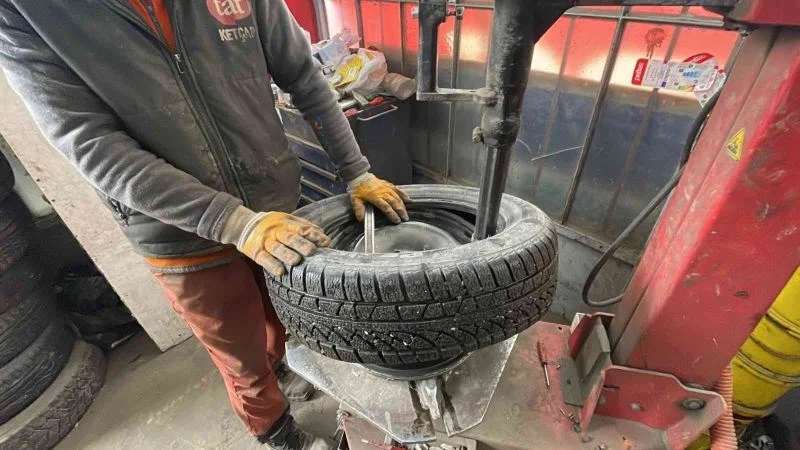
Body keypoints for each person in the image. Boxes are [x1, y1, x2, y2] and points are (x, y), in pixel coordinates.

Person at [0, 1, 409, 448]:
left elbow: (304, 76)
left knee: (280, 315)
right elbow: (90, 143)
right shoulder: (25, 11)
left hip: (275, 206)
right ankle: (280, 434)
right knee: (241, 358)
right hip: (178, 230)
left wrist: (357, 172)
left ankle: (280, 369)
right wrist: (234, 223)